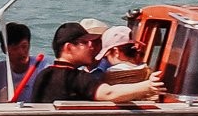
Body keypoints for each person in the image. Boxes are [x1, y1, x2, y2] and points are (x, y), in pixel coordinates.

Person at [28, 22, 160, 104]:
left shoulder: (43, 75)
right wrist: (148, 86)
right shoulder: (77, 78)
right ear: (69, 47)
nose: (91, 46)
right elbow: (109, 94)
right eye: (85, 42)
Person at [0, 22, 45, 102]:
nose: (21, 52)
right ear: (4, 49)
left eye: (24, 46)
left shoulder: (43, 67)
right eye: (15, 48)